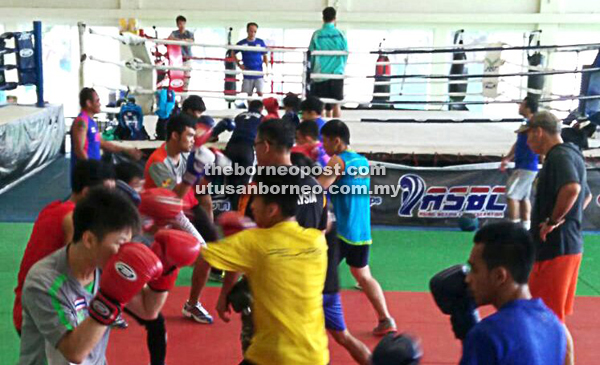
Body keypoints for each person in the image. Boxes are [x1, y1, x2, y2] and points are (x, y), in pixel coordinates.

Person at [183, 118, 326, 325]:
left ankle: (192, 303)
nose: (255, 151)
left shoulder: (263, 191)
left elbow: (243, 245)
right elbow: (321, 232)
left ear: (266, 146)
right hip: (306, 293)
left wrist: (225, 293)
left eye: (256, 145)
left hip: (268, 291)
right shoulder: (314, 185)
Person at [18, 188, 167, 364]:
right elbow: (73, 352)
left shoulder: (106, 265)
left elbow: (148, 309)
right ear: (89, 240)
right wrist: (111, 298)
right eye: (120, 243)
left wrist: (168, 269)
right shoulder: (43, 281)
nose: (126, 250)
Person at [202, 173, 330, 365]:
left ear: (272, 209)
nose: (252, 206)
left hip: (273, 356)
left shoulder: (254, 242)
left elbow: (199, 256)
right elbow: (326, 225)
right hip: (316, 355)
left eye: (257, 200)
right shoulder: (317, 241)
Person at [518, 110, 592, 365]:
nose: (527, 143)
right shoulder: (571, 154)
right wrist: (566, 220)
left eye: (528, 137)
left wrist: (553, 221)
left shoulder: (559, 156)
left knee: (547, 317)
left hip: (556, 249)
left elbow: (574, 189)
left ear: (539, 131)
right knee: (549, 316)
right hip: (565, 246)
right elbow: (586, 197)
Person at [13, 160, 115, 335]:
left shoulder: (54, 208)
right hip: (43, 311)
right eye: (106, 194)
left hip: (33, 304)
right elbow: (78, 270)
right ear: (87, 193)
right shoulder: (73, 219)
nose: (111, 201)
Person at [318, 119, 396, 336]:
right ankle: (385, 319)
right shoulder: (362, 161)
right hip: (362, 233)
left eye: (325, 141)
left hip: (342, 232)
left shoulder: (337, 162)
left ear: (336, 140)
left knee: (317, 275)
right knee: (363, 276)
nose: (323, 146)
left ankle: (309, 324)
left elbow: (318, 188)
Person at [459, 221, 567, 364]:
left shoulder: (488, 333)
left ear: (499, 276)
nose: (468, 279)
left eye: (474, 270)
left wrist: (465, 323)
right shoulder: (553, 324)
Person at [143, 113, 204, 243]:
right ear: (175, 135)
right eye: (189, 135)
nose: (193, 140)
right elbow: (174, 198)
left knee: (210, 232)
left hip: (182, 206)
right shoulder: (158, 162)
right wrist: (193, 173)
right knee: (200, 247)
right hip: (162, 212)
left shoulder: (184, 155)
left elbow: (197, 185)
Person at [70, 88, 141, 178]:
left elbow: (103, 144)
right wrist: (91, 170)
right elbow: (79, 150)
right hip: (86, 174)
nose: (100, 104)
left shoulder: (91, 122)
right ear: (88, 103)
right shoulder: (81, 122)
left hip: (93, 170)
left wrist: (126, 150)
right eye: (97, 101)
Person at [500, 97, 540, 230]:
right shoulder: (527, 123)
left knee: (512, 196)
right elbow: (519, 143)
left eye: (522, 105)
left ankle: (514, 229)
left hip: (526, 166)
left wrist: (544, 160)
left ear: (528, 107)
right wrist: (508, 158)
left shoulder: (534, 123)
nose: (519, 107)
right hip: (525, 165)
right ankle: (526, 228)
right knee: (523, 197)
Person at [223, 100, 264, 208]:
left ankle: (229, 206)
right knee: (243, 181)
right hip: (247, 148)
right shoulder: (262, 117)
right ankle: (240, 209)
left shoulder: (239, 115)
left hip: (231, 147)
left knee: (230, 178)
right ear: (261, 108)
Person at [309, 7, 348, 118]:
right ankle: (336, 129)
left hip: (320, 74)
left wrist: (311, 71)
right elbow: (346, 53)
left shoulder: (317, 34)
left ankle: (322, 132)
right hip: (337, 73)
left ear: (323, 18)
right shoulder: (341, 34)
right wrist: (341, 68)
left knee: (320, 105)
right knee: (336, 104)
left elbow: (311, 54)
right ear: (335, 18)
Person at [235, 22, 268, 97]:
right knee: (248, 94)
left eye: (254, 31)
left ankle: (260, 108)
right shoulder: (242, 43)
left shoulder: (260, 42)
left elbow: (265, 55)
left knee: (260, 92)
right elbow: (233, 52)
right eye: (251, 31)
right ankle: (250, 108)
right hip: (247, 72)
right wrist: (239, 64)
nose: (253, 33)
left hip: (258, 72)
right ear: (247, 31)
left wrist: (267, 68)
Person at [169, 15, 195, 90]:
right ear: (177, 24)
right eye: (180, 23)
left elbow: (191, 41)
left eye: (183, 23)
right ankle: (176, 97)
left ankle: (183, 99)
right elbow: (169, 39)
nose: (182, 25)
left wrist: (179, 40)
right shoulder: (174, 33)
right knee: (176, 79)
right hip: (176, 60)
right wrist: (181, 41)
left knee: (186, 80)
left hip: (187, 59)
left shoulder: (189, 33)